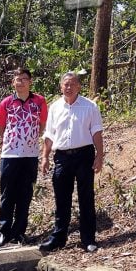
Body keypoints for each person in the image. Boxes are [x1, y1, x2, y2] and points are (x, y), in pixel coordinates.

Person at [39, 71, 104, 253]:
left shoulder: (90, 106)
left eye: (72, 84)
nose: (69, 87)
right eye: (66, 84)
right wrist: (44, 157)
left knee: (86, 198)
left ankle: (88, 239)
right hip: (62, 157)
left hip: (84, 155)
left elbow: (97, 132)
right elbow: (49, 135)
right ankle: (58, 238)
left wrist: (99, 156)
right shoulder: (55, 108)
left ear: (79, 87)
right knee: (62, 199)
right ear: (61, 86)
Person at [0, 68, 47, 247]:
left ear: (30, 82)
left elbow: (42, 124)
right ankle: (4, 232)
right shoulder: (6, 103)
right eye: (18, 79)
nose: (21, 82)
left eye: (24, 79)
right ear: (13, 83)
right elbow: (1, 126)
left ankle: (19, 232)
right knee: (7, 194)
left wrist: (32, 140)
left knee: (25, 194)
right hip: (10, 154)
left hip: (30, 155)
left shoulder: (39, 101)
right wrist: (8, 142)